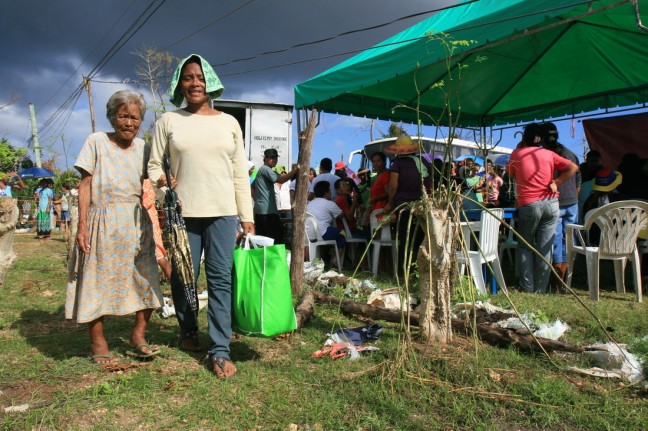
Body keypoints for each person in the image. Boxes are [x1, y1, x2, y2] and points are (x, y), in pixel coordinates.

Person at [148, 54, 254, 378]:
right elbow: (154, 167)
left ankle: (220, 349)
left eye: (200, 77)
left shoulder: (229, 123)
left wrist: (246, 216)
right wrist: (163, 185)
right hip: (183, 213)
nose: (194, 83)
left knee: (221, 279)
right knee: (183, 277)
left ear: (210, 82)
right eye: (188, 77)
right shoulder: (168, 121)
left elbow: (239, 173)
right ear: (180, 83)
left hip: (222, 212)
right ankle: (188, 329)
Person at [65, 90, 163, 364]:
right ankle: (98, 341)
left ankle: (138, 335)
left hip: (134, 222)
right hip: (101, 221)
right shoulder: (96, 141)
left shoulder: (145, 148)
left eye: (134, 117)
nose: (129, 123)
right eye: (123, 116)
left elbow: (156, 179)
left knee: (147, 279)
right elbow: (84, 184)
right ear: (113, 117)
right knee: (96, 281)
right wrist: (82, 225)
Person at [507, 123, 578, 294]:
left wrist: (519, 149)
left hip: (529, 204)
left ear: (525, 138)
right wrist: (557, 182)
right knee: (545, 247)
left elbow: (510, 175)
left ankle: (527, 287)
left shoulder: (517, 154)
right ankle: (541, 288)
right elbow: (573, 168)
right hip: (551, 204)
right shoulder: (549, 154)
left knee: (525, 246)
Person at [383, 134, 431, 275]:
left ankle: (405, 271)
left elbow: (393, 186)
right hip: (421, 206)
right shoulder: (423, 162)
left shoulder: (397, 164)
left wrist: (390, 203)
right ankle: (419, 270)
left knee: (405, 238)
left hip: (403, 206)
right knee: (420, 239)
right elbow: (430, 184)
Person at [543, 122, 582, 291]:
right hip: (572, 202)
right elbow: (578, 180)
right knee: (569, 242)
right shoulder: (571, 154)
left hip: (555, 203)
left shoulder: (546, 155)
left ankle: (558, 284)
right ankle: (567, 280)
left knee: (556, 242)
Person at [253, 148, 298, 245]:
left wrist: (258, 201)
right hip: (268, 212)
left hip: (262, 210)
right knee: (276, 239)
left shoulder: (262, 171)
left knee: (264, 240)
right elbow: (281, 180)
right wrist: (295, 170)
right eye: (272, 158)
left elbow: (252, 187)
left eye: (276, 157)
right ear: (265, 158)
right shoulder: (265, 169)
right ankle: (276, 259)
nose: (274, 160)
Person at [307, 181, 345, 267]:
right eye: (330, 191)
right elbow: (341, 215)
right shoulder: (329, 203)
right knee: (342, 234)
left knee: (329, 234)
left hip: (308, 236)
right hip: (322, 234)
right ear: (326, 193)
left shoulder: (309, 204)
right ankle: (336, 261)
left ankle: (322, 261)